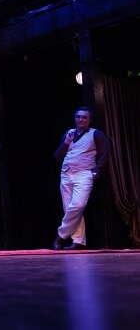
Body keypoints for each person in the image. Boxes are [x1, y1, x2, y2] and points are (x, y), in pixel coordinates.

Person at [52, 106, 110, 250]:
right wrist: (66, 143)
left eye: (84, 117)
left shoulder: (96, 134)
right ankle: (78, 241)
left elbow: (104, 152)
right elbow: (58, 156)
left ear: (89, 120)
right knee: (69, 209)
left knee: (77, 206)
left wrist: (97, 171)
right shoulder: (69, 133)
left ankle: (60, 236)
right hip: (66, 174)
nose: (81, 119)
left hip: (84, 174)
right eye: (78, 117)